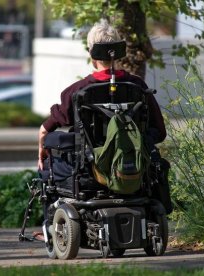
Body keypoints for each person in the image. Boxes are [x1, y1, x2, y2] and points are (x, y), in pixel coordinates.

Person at [37, 20, 166, 171]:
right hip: (133, 169)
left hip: (88, 171)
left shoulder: (76, 91)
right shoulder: (138, 87)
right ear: (118, 52)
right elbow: (160, 132)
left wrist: (42, 153)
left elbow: (44, 131)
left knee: (46, 166)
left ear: (91, 53)